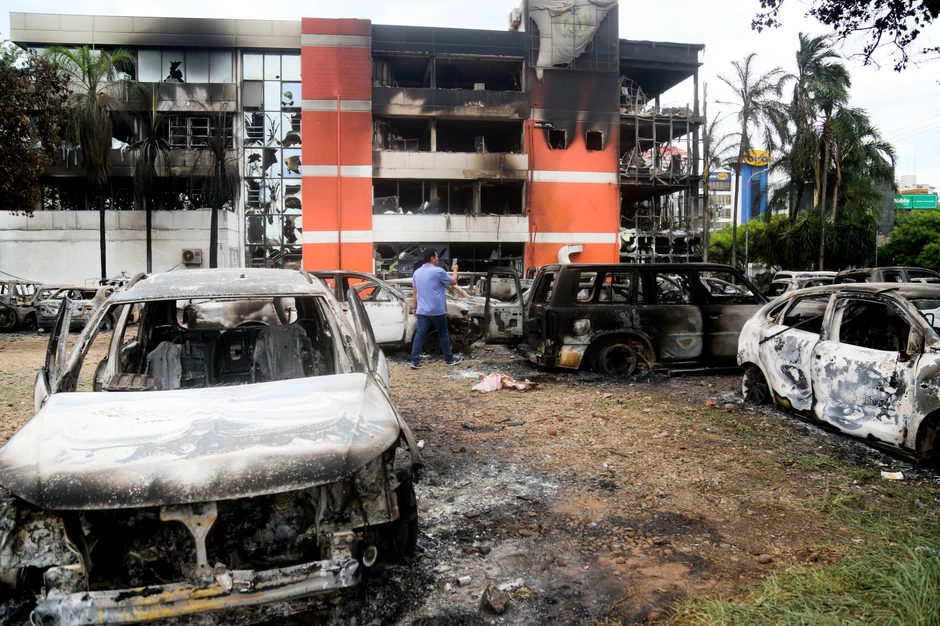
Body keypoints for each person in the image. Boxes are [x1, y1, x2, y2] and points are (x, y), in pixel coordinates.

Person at [410, 248, 462, 369]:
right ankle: (449, 359)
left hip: (422, 310)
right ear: (432, 258)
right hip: (437, 310)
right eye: (437, 256)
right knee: (443, 334)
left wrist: (414, 308)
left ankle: (414, 361)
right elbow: (453, 282)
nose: (438, 259)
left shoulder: (417, 272)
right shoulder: (438, 271)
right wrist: (455, 270)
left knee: (419, 335)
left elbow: (415, 292)